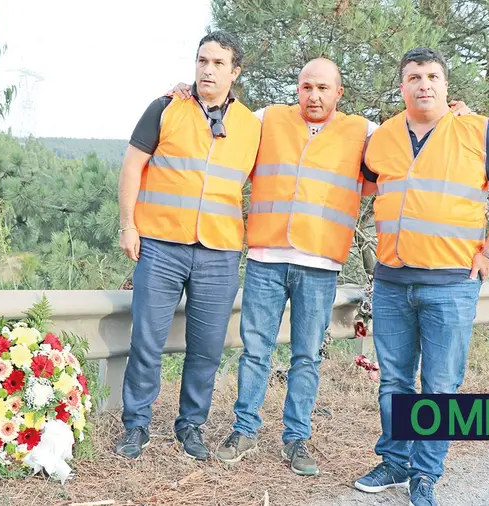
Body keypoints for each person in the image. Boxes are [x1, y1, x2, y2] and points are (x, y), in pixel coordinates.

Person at [168, 59, 471, 477]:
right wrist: (188, 94)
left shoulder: (364, 131)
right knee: (256, 351)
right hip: (266, 259)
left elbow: (418, 129)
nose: (314, 95)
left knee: (307, 355)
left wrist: (455, 115)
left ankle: (296, 439)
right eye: (306, 86)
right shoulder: (266, 119)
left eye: (323, 88)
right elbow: (216, 118)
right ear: (298, 88)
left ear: (338, 93)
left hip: (320, 263)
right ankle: (245, 429)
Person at [352, 48, 489, 506]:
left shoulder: (477, 129)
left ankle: (425, 474)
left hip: (451, 285)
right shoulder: (384, 137)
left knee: (439, 385)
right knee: (394, 381)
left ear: (447, 86)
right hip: (393, 282)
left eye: (433, 76)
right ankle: (394, 463)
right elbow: (366, 184)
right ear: (402, 87)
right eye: (414, 76)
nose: (424, 84)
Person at [113, 30, 262, 461]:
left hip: (219, 252)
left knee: (207, 348)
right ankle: (136, 426)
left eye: (218, 63)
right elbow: (131, 168)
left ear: (235, 72)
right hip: (160, 245)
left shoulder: (253, 126)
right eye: (202, 60)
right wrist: (128, 225)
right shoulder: (165, 107)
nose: (207, 69)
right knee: (147, 341)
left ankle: (191, 426)